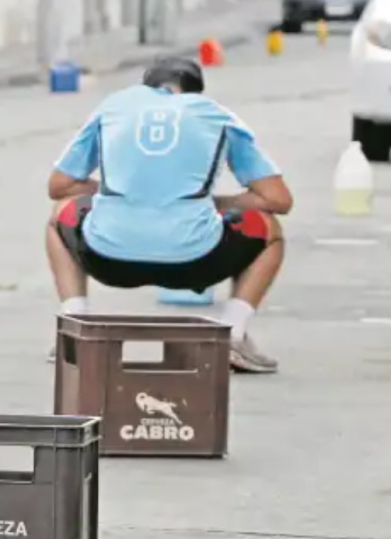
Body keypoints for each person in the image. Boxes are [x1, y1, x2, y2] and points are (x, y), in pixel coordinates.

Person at [45, 57, 293, 374]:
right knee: (269, 230)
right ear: (194, 93)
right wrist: (215, 202)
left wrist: (116, 189)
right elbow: (278, 199)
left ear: (146, 86)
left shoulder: (114, 107)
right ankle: (234, 334)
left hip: (107, 258)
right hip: (197, 260)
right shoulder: (216, 115)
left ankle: (75, 325)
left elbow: (60, 185)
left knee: (60, 215)